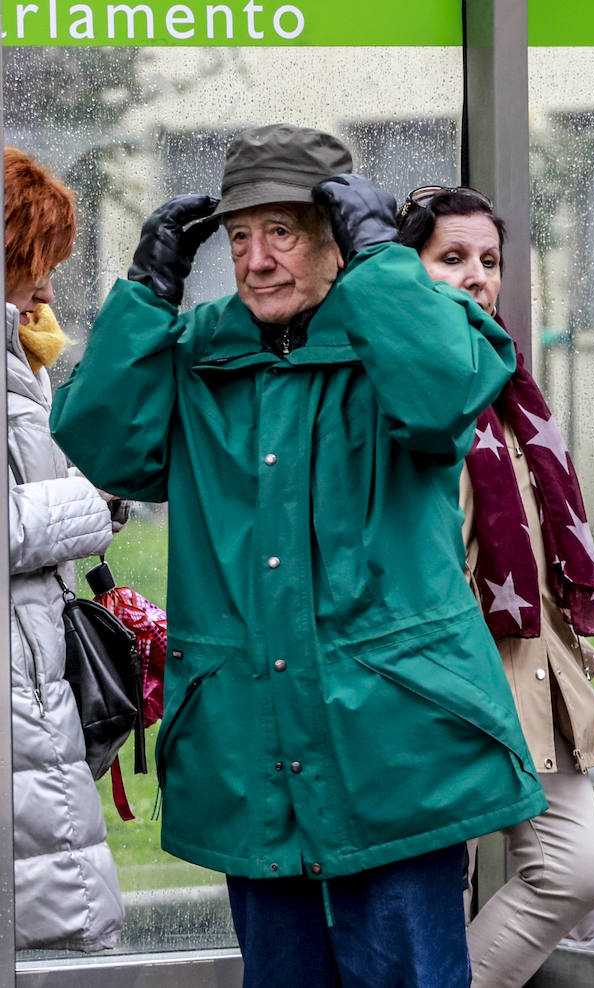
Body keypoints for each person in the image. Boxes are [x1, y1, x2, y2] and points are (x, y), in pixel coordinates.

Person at [49, 124, 548, 987]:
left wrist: (385, 261)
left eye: (281, 232)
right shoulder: (199, 349)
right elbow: (102, 446)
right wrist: (145, 292)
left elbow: (439, 402)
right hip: (251, 750)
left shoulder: (411, 331)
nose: (256, 260)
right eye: (238, 237)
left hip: (397, 749)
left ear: (335, 238)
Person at [395, 186, 594, 987]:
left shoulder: (508, 386)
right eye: (450, 259)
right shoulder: (400, 391)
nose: (477, 278)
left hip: (529, 669)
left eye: (489, 262)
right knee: (428, 891)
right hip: (440, 685)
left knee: (579, 868)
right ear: (401, 274)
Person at [6, 146, 125, 952]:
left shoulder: (23, 365)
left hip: (33, 668)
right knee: (60, 914)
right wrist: (102, 501)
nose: (47, 289)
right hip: (16, 679)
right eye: (32, 266)